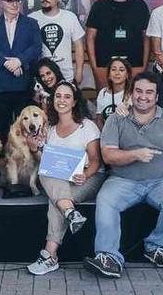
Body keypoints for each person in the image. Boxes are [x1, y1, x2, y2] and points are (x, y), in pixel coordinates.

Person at [84, 73, 163, 278]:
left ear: (157, 97)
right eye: (138, 91)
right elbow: (108, 155)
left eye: (149, 92)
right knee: (105, 200)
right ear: (131, 93)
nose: (143, 96)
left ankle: (156, 246)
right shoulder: (116, 119)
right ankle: (108, 257)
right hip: (123, 180)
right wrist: (134, 154)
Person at [27, 81, 105, 275]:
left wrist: (85, 174)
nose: (62, 100)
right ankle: (70, 215)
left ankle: (49, 256)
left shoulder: (87, 126)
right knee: (48, 175)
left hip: (88, 177)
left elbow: (96, 161)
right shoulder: (50, 129)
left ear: (74, 101)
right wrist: (34, 148)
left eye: (67, 96)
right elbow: (45, 161)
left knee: (56, 201)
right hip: (60, 179)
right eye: (58, 96)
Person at [0, 0, 41, 141]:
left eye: (17, 0)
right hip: (0, 86)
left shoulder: (31, 24)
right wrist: (6, 63)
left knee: (27, 129)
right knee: (1, 130)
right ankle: (4, 164)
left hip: (23, 85)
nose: (15, 4)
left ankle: (28, 162)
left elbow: (36, 48)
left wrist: (19, 61)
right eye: (10, 1)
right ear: (2, 3)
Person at [85, 0, 150, 90]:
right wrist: (95, 68)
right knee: (106, 104)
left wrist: (144, 66)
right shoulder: (99, 7)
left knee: (132, 104)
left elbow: (146, 38)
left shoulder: (140, 5)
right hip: (104, 66)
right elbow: (90, 38)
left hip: (134, 65)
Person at [29, 0, 85, 85]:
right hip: (42, 79)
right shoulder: (32, 18)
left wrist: (79, 72)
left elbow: (79, 46)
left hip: (66, 77)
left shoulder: (70, 17)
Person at [95, 57, 132, 128]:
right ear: (109, 75)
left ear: (127, 75)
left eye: (121, 70)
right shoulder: (103, 92)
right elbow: (99, 119)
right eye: (113, 70)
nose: (117, 73)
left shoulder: (132, 93)